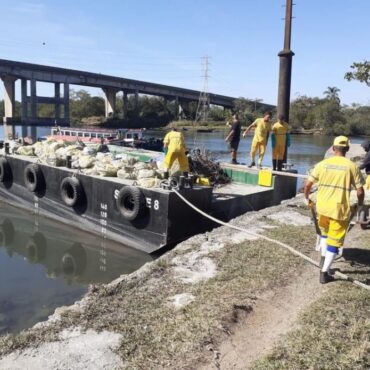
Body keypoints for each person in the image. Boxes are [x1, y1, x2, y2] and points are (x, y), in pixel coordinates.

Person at [304, 136, 365, 284]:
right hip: (339, 209)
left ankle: (323, 258)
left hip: (322, 207)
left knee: (324, 233)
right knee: (335, 241)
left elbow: (307, 184)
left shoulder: (323, 164)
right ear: (348, 149)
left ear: (333, 148)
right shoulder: (352, 167)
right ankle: (324, 273)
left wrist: (307, 197)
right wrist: (360, 205)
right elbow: (360, 191)